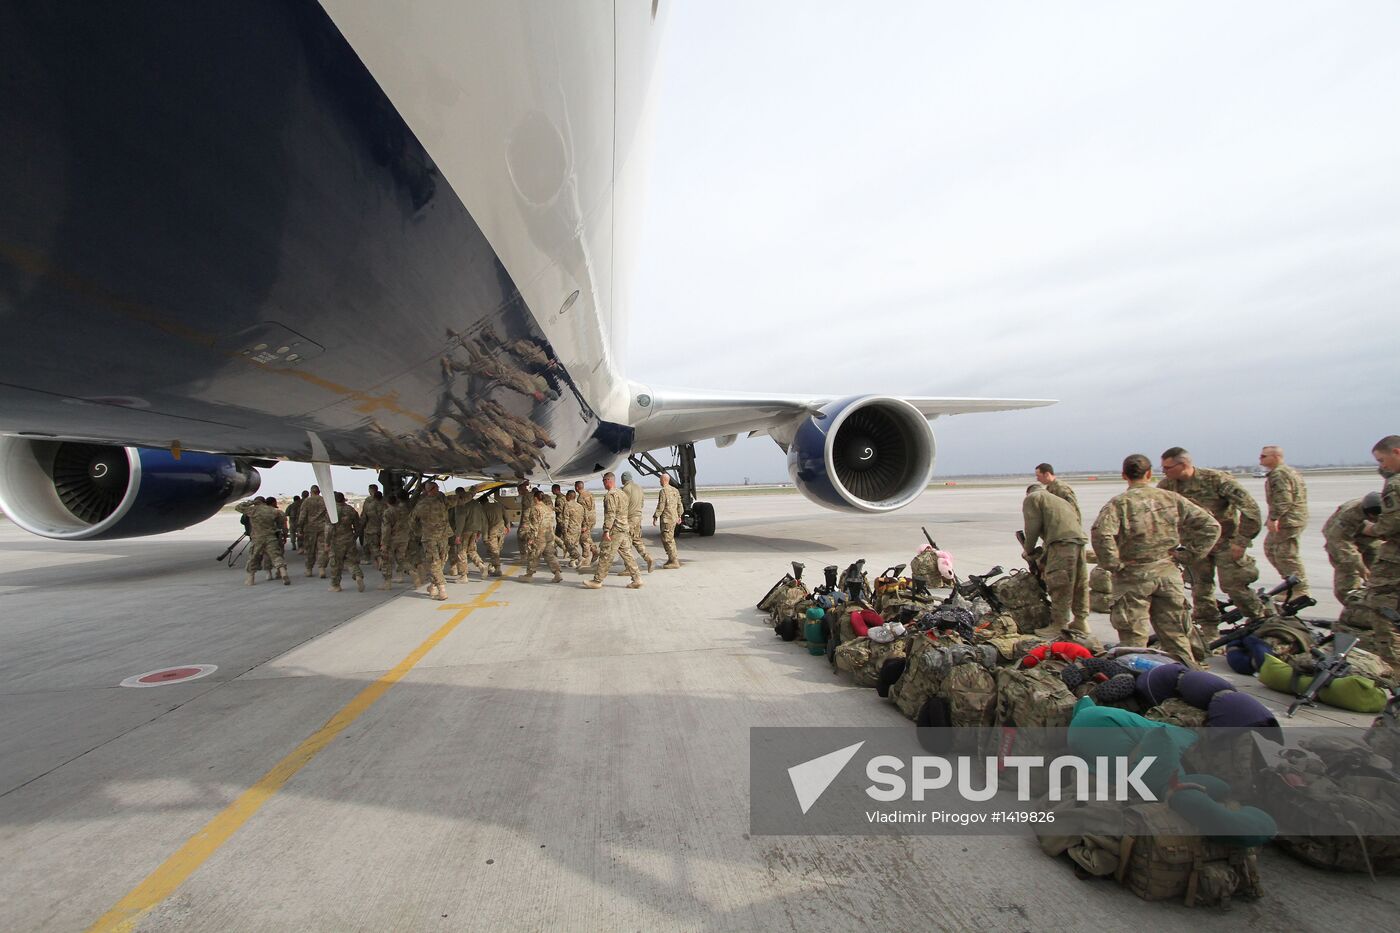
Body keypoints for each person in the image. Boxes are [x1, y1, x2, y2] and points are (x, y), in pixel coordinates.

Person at [1091, 454, 1220, 668]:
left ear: (1124, 475)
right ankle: (1189, 679)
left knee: (1134, 642)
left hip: (1134, 576)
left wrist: (1113, 564)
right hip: (1167, 573)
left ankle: (1139, 688)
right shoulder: (1171, 499)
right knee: (1176, 636)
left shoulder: (1120, 503)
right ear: (1149, 474)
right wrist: (1189, 555)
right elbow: (1211, 526)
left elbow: (1101, 534)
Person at [1157, 447, 1271, 640]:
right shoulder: (1167, 486)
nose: (1164, 471)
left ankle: (1260, 620)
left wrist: (1241, 541)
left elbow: (1250, 509)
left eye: (1167, 467)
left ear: (1183, 465)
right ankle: (1209, 632)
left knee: (1234, 585)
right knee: (1200, 589)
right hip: (1194, 547)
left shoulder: (1216, 480)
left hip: (1225, 543)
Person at [1021, 484, 1090, 640]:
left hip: (1061, 543)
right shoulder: (1058, 500)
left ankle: (1059, 625)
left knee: (1059, 583)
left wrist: (1028, 549)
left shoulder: (1033, 498)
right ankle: (1081, 620)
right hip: (1078, 540)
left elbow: (1031, 527)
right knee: (1079, 583)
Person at [1355, 435, 1400, 666]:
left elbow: (1391, 525)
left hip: (1394, 563)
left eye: (1382, 461)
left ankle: (1395, 674)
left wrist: (1373, 529)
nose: (1382, 467)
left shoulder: (1395, 484)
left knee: (1383, 617)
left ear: (1397, 452)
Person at [1258, 445, 1309, 597]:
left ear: (1276, 457)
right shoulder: (1285, 472)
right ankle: (1290, 583)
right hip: (1290, 518)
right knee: (1272, 550)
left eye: (1264, 456)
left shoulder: (1280, 474)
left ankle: (1300, 588)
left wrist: (1274, 518)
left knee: (1286, 554)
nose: (1260, 459)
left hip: (1289, 520)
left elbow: (1284, 499)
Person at [584, 472, 643, 589]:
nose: (603, 483)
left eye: (604, 481)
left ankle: (597, 580)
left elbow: (611, 514)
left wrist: (606, 530)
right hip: (624, 528)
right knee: (627, 555)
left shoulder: (610, 495)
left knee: (605, 554)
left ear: (608, 480)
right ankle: (637, 579)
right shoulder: (622, 493)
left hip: (615, 530)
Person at [1323, 493, 1382, 604]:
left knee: (1379, 575)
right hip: (1341, 541)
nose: (1375, 519)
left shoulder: (1391, 508)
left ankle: (1377, 608)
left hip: (1371, 539)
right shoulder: (1349, 514)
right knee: (1347, 582)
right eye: (1373, 517)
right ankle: (1355, 611)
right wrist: (1362, 568)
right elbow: (1342, 544)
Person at [235, 497, 291, 586]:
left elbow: (238, 507)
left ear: (257, 501)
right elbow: (282, 520)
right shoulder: (272, 510)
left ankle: (250, 579)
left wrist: (251, 502)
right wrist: (283, 532)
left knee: (253, 558)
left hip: (257, 538)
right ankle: (283, 573)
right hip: (270, 537)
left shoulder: (252, 510)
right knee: (276, 556)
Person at [412, 482, 452, 600]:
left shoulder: (420, 505)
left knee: (436, 562)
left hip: (429, 537)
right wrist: (472, 492)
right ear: (433, 489)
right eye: (437, 488)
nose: (439, 489)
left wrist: (419, 532)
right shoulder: (443, 502)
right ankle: (442, 588)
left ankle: (433, 585)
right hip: (442, 536)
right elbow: (459, 500)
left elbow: (412, 521)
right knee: (438, 561)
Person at [326, 492, 365, 592]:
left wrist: (327, 542)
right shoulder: (351, 510)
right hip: (349, 539)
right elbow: (358, 527)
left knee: (336, 564)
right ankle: (357, 576)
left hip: (336, 541)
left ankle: (336, 585)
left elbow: (329, 529)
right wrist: (354, 537)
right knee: (351, 561)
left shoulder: (332, 512)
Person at [522, 489, 564, 582]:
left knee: (534, 555)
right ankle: (557, 573)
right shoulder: (548, 508)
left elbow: (534, 525)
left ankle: (529, 575)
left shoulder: (535, 508)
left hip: (539, 537)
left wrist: (531, 538)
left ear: (535, 498)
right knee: (550, 555)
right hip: (549, 535)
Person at [378, 494, 417, 589]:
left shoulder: (388, 512)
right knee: (401, 558)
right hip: (404, 538)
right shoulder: (404, 510)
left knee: (386, 560)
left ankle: (387, 583)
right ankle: (412, 572)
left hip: (392, 539)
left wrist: (384, 543)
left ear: (387, 502)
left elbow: (386, 529)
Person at [620, 471, 655, 573]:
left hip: (630, 518)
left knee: (626, 543)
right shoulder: (639, 488)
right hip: (638, 517)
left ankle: (629, 568)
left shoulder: (626, 489)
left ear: (624, 479)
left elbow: (623, 505)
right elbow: (642, 503)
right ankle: (648, 558)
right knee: (637, 540)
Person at [451, 488, 490, 579]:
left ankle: (463, 576)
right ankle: (481, 566)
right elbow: (483, 518)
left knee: (461, 552)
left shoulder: (460, 503)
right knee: (472, 550)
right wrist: (480, 531)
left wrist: (458, 535)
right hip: (475, 530)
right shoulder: (476, 503)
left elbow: (460, 520)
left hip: (465, 530)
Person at [653, 473, 683, 569]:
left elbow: (661, 505)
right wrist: (679, 515)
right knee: (669, 538)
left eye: (660, 480)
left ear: (664, 480)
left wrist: (655, 516)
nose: (659, 481)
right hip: (674, 518)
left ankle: (674, 560)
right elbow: (679, 504)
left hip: (667, 519)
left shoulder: (663, 491)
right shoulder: (675, 490)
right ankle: (671, 559)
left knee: (668, 540)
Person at [298, 485, 329, 577]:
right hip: (322, 528)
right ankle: (321, 569)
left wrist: (300, 527)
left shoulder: (307, 501)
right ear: (319, 491)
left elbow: (302, 516)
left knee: (310, 549)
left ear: (311, 492)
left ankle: (309, 569)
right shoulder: (325, 500)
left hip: (310, 528)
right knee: (322, 549)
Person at [481, 489, 509, 576]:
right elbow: (506, 516)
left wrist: (485, 537)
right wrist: (507, 526)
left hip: (492, 532)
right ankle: (491, 566)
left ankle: (498, 569)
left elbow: (485, 524)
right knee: (497, 550)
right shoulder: (498, 505)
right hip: (502, 530)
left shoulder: (483, 509)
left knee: (493, 551)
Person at [574, 480, 597, 569]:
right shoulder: (589, 494)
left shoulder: (580, 498)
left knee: (584, 540)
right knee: (587, 537)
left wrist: (584, 525)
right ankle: (595, 550)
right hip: (593, 519)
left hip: (586, 521)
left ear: (576, 488)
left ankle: (586, 560)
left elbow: (584, 512)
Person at [361, 485, 385, 567]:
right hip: (383, 527)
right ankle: (380, 559)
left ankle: (377, 558)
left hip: (371, 528)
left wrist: (361, 526)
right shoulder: (385, 502)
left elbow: (364, 516)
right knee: (381, 544)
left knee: (371, 545)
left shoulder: (369, 503)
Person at [561, 490, 585, 566]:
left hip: (570, 528)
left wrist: (564, 530)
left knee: (569, 545)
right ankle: (572, 562)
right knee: (574, 545)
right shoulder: (580, 506)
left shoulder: (567, 505)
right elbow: (583, 518)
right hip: (578, 528)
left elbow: (566, 518)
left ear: (569, 496)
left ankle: (579, 557)